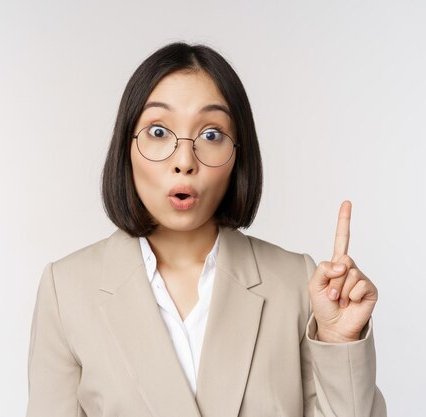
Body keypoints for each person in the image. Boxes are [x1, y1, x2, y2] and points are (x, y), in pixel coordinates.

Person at [26, 42, 387, 417]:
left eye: (211, 135)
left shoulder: (295, 281)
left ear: (238, 155)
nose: (184, 161)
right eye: (159, 131)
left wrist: (340, 344)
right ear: (126, 147)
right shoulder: (66, 290)